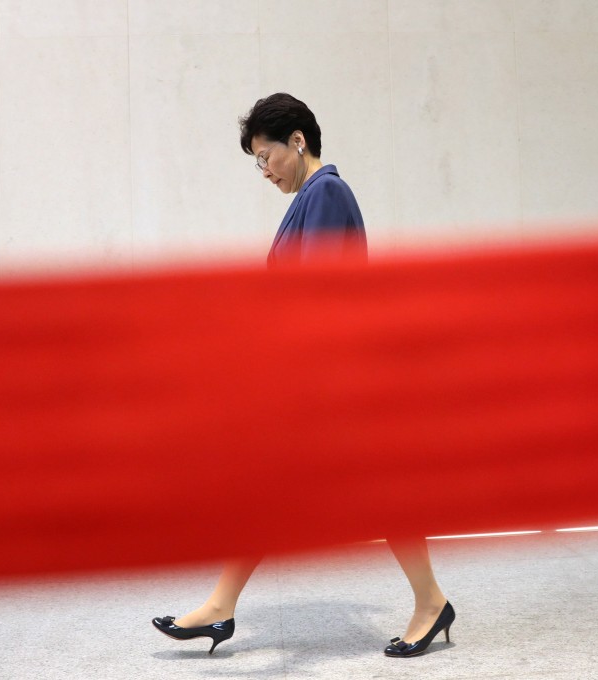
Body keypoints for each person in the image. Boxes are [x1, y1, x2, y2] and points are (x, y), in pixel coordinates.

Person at [151, 93, 456, 657]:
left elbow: (313, 299)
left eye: (265, 156)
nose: (263, 171)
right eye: (256, 162)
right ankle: (224, 605)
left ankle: (431, 602)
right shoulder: (312, 199)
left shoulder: (326, 193)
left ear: (298, 140)